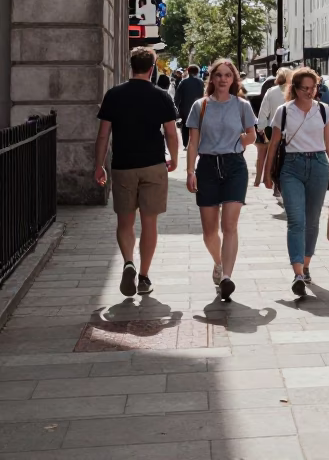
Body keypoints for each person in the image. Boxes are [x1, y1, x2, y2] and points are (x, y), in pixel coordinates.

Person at [94, 47, 179, 298]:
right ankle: (143, 276)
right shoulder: (162, 96)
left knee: (125, 221)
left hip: (122, 165)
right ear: (152, 69)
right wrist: (174, 158)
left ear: (130, 66)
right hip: (153, 164)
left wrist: (99, 165)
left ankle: (128, 261)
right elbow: (171, 133)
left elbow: (103, 135)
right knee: (149, 222)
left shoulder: (114, 95)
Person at [264, 67, 329, 298]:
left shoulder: (323, 110)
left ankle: (306, 264)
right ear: (295, 89)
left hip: (319, 165)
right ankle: (298, 273)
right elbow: (274, 144)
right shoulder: (284, 111)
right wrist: (267, 173)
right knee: (296, 221)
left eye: (313, 88)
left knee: (312, 220)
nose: (310, 92)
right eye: (305, 88)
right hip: (291, 167)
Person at [185, 59, 257, 302]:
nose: (223, 79)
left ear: (233, 79)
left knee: (229, 226)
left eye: (228, 75)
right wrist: (190, 171)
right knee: (209, 231)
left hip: (235, 166)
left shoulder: (242, 106)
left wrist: (240, 141)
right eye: (219, 75)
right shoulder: (200, 106)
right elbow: (193, 142)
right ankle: (218, 263)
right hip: (206, 167)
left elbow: (252, 135)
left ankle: (226, 276)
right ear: (212, 79)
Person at [255, 68, 291, 186]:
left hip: (274, 128)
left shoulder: (271, 92)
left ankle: (271, 177)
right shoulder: (294, 91)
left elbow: (263, 112)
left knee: (273, 154)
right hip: (291, 129)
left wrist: (261, 128)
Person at [174, 64, 205, 148]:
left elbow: (177, 96)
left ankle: (185, 143)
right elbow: (203, 96)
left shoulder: (183, 82)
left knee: (185, 126)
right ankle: (196, 142)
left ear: (188, 71)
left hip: (185, 108)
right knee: (197, 126)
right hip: (198, 108)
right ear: (197, 72)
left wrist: (176, 107)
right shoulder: (201, 82)